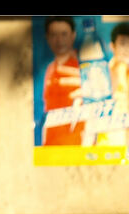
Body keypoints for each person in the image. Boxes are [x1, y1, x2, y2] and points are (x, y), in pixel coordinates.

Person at [40, 16, 84, 146]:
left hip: (76, 145)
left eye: (64, 34)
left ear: (73, 36)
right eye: (54, 35)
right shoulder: (50, 69)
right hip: (51, 145)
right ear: (47, 37)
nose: (59, 40)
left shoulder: (84, 66)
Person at [105, 22, 129, 152]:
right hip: (106, 142)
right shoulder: (104, 74)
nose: (127, 49)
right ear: (112, 46)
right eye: (122, 43)